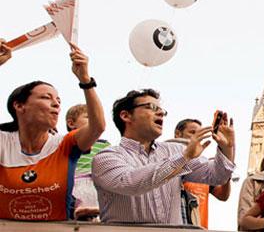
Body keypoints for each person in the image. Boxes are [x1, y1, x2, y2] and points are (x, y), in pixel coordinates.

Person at [92, 89, 235, 224]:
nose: (160, 113)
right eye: (151, 107)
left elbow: (217, 176)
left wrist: (226, 148)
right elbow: (131, 184)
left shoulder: (175, 150)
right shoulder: (105, 158)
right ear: (125, 116)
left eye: (162, 110)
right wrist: (184, 157)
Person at [0, 44, 105, 221]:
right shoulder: (3, 141)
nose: (56, 104)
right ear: (19, 106)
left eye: (58, 100)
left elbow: (97, 127)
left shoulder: (65, 143)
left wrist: (85, 80)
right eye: (46, 97)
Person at [168, 118, 232, 229]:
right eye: (192, 132)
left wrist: (224, 172)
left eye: (200, 133)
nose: (197, 136)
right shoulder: (167, 161)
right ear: (177, 134)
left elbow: (223, 195)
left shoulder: (201, 168)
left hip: (200, 227)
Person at [65, 103, 111, 221]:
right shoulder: (65, 143)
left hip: (95, 182)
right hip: (74, 181)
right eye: (89, 117)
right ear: (71, 123)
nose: (95, 120)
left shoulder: (104, 144)